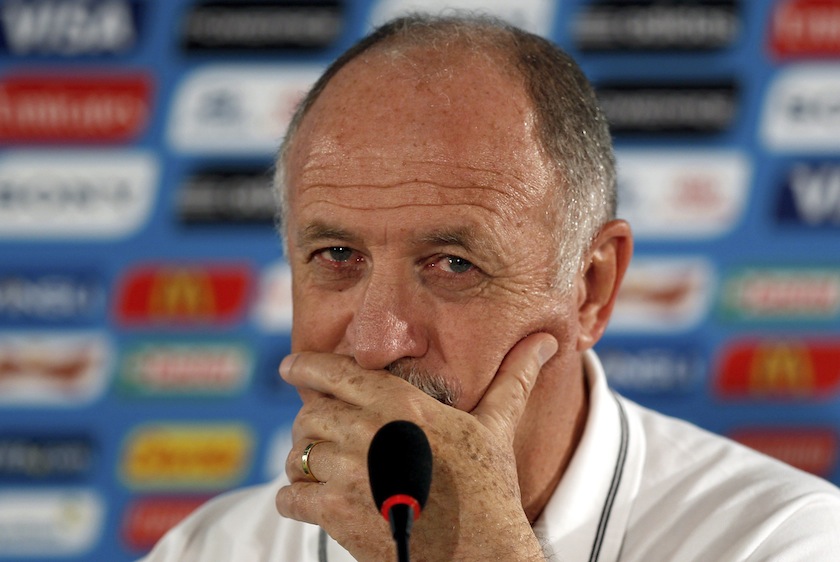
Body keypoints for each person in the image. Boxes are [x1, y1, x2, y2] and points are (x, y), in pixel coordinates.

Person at [141, 14, 840, 562]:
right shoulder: (214, 549)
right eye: (336, 254)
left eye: (452, 264)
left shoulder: (784, 542)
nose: (378, 343)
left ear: (591, 287)